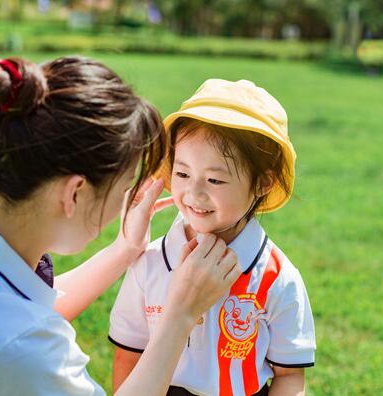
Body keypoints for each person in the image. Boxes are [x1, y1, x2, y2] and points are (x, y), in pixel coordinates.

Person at [0, 56, 241, 395]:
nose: (125, 203)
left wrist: (123, 251)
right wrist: (180, 316)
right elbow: (14, 335)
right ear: (75, 191)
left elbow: (12, 309)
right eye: (125, 186)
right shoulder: (23, 348)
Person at [109, 79, 316, 396]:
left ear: (263, 183)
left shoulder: (276, 277)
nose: (193, 193)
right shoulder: (149, 263)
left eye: (215, 179)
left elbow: (289, 375)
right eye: (182, 173)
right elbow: (128, 355)